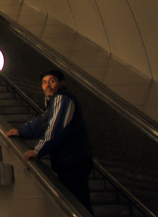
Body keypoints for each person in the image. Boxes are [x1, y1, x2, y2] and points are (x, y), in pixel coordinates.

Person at [8, 69, 94, 210]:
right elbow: (43, 122)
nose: (47, 85)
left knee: (78, 203)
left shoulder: (62, 99)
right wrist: (21, 131)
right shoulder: (55, 101)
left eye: (52, 81)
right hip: (71, 161)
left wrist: (37, 150)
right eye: (44, 82)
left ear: (61, 83)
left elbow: (55, 128)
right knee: (77, 202)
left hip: (73, 161)